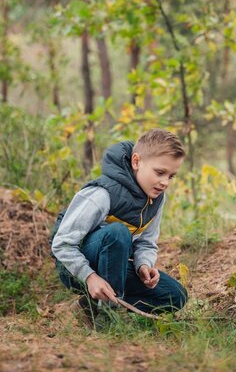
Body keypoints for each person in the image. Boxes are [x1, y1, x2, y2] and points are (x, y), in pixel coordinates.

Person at [50, 128, 188, 328]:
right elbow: (62, 244)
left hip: (115, 265)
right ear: (136, 162)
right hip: (74, 267)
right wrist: (90, 277)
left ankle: (89, 307)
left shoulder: (156, 199)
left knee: (176, 296)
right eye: (159, 172)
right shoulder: (102, 194)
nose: (165, 182)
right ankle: (107, 320)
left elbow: (147, 242)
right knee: (118, 232)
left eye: (171, 176)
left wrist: (143, 265)